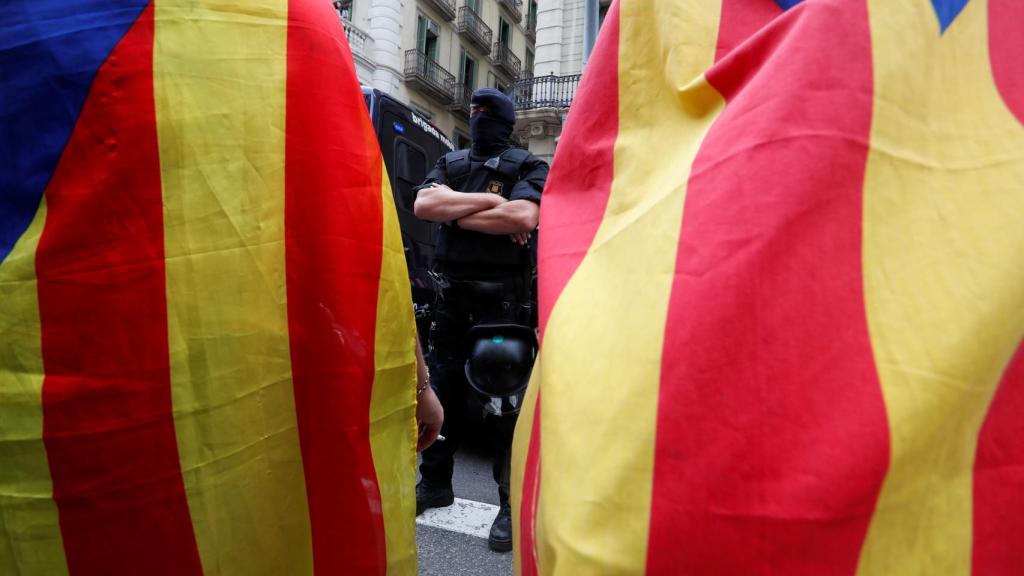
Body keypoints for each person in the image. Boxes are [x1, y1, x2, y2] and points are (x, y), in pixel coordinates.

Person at [412, 88, 548, 552]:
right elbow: (424, 207)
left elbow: (524, 216)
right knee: (441, 393)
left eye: (488, 114)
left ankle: (509, 505)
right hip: (451, 303)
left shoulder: (529, 165)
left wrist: (457, 210)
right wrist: (493, 206)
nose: (478, 119)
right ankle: (436, 483)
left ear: (506, 121)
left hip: (503, 310)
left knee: (505, 411)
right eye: (475, 113)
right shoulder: (451, 162)